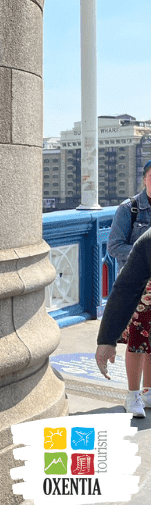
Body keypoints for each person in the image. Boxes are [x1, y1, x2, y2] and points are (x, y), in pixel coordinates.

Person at [104, 159, 151, 418]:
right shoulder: (129, 209)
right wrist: (144, 252)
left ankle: (148, 391)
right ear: (144, 179)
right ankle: (132, 395)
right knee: (137, 343)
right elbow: (114, 247)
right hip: (137, 287)